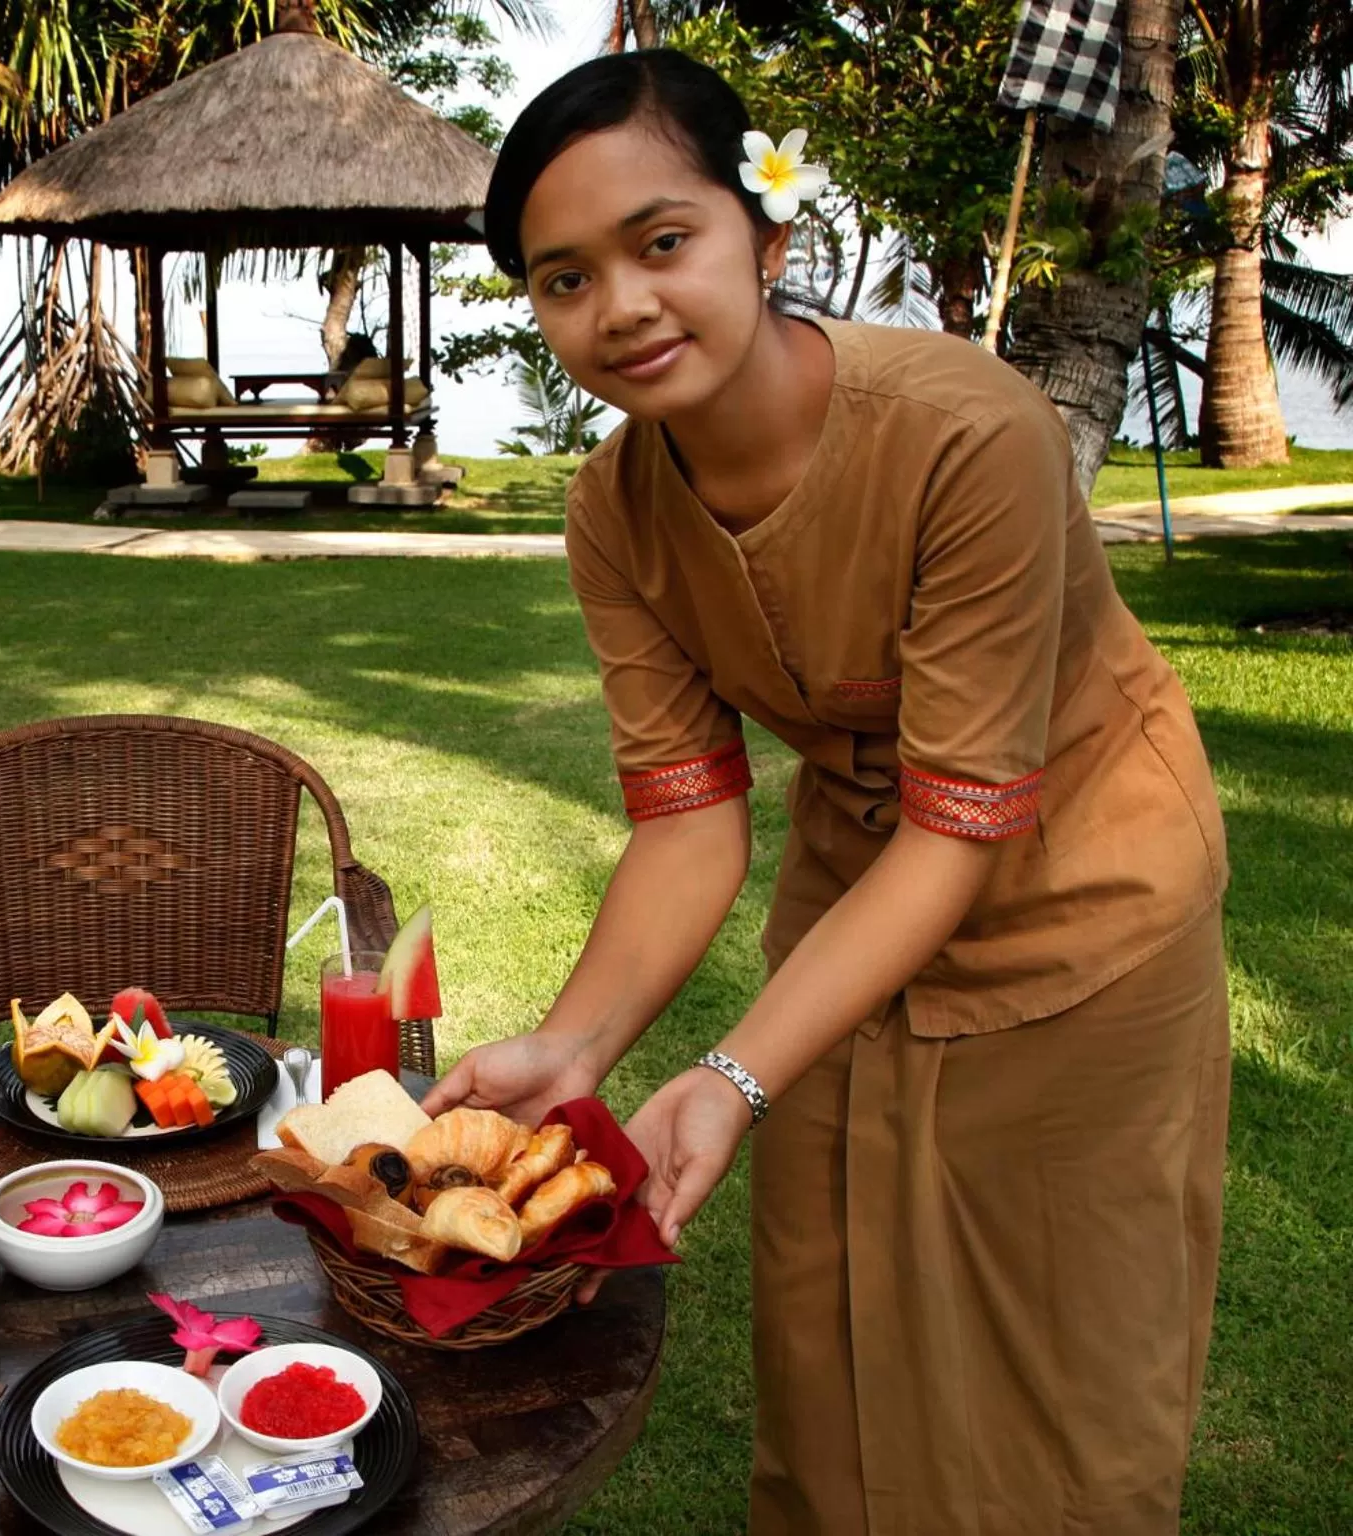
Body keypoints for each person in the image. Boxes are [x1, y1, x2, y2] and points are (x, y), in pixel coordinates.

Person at [421, 49, 1231, 1536]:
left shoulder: (970, 434)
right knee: (833, 1335)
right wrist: (577, 1045)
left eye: (664, 243)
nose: (624, 307)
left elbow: (962, 823)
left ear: (767, 239)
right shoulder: (613, 512)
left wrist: (730, 1076)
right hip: (860, 892)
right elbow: (687, 817)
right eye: (565, 279)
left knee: (1058, 1371)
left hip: (1083, 900)